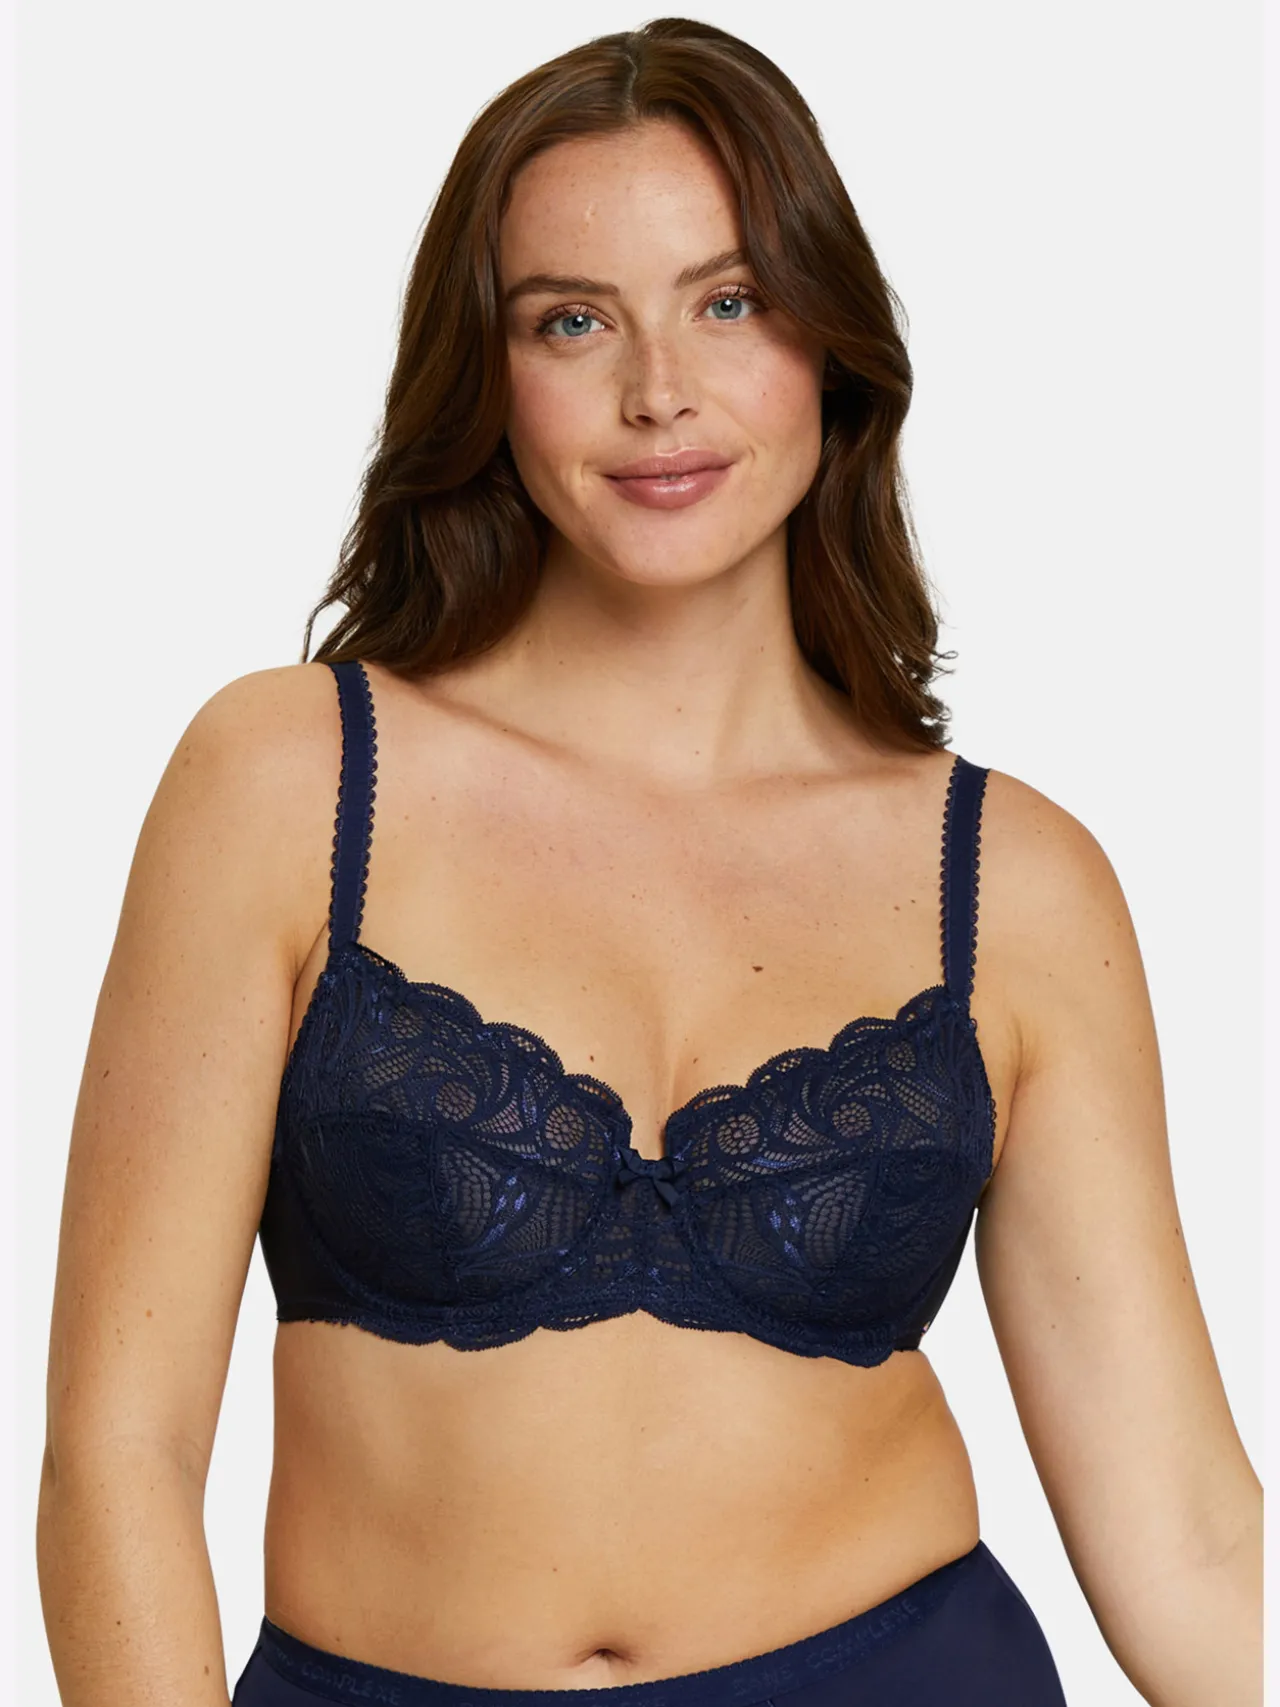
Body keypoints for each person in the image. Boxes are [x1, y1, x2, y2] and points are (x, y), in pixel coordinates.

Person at [36, 18, 1261, 1707]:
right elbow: (118, 1449)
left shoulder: (1015, 882)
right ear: (489, 374)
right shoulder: (288, 782)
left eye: (729, 301)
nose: (658, 390)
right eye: (572, 319)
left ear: (829, 343)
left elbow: (1188, 1534)